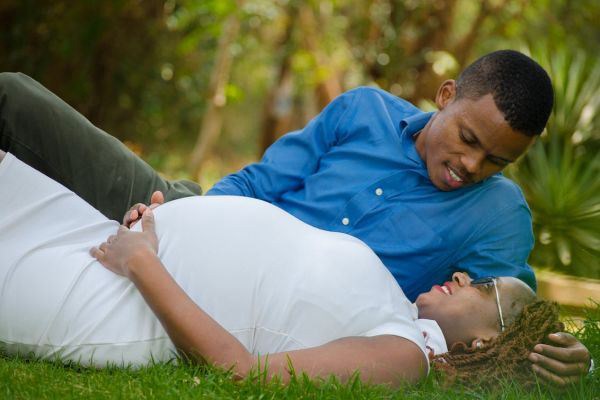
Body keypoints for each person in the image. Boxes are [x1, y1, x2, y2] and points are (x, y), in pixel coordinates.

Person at [0, 50, 591, 384]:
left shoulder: (498, 212)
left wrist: (559, 350)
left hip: (243, 295)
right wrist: (178, 217)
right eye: (466, 138)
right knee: (16, 98)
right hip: (187, 210)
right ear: (444, 96)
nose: (470, 164)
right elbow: (260, 182)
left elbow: (502, 318)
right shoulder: (362, 111)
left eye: (496, 160)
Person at [0, 150, 559, 387]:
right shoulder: (396, 307)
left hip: (106, 299)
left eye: (483, 287)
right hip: (111, 245)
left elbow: (243, 372)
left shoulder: (406, 355)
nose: (464, 276)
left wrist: (144, 261)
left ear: (486, 345)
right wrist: (170, 225)